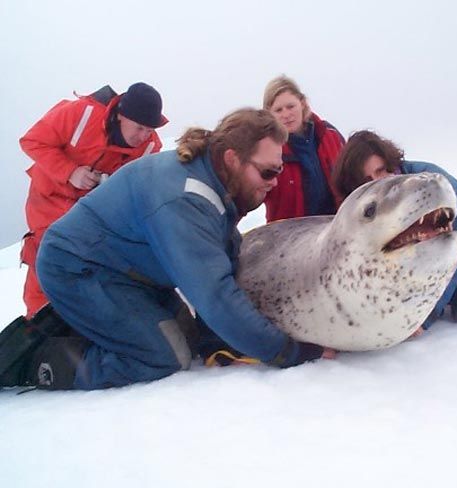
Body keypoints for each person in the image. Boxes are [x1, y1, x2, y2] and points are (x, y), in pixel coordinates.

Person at [2, 108, 332, 391]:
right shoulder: (183, 199)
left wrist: (217, 338)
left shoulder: (214, 179)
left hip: (130, 273)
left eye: (279, 171)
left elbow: (224, 261)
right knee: (164, 355)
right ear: (233, 158)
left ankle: (94, 326)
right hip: (78, 269)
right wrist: (290, 352)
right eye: (268, 171)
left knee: (189, 338)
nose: (274, 180)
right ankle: (38, 361)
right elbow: (215, 296)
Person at [332, 130, 457, 330]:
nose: (378, 180)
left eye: (381, 170)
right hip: (411, 258)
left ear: (391, 163)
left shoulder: (432, 180)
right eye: (368, 178)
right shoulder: (364, 201)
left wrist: (424, 318)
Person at [19, 82, 167, 319]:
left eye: (149, 130)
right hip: (49, 201)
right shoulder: (80, 113)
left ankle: (89, 325)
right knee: (47, 254)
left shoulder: (150, 148)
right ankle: (37, 325)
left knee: (94, 264)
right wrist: (70, 172)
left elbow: (139, 191)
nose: (144, 136)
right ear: (121, 116)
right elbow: (32, 141)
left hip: (93, 212)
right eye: (139, 128)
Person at [262, 75, 345, 221]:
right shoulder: (267, 151)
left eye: (290, 106)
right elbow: (249, 193)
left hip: (336, 226)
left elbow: (351, 177)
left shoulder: (329, 135)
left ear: (302, 103)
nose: (286, 115)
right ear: (269, 114)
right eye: (279, 110)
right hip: (291, 238)